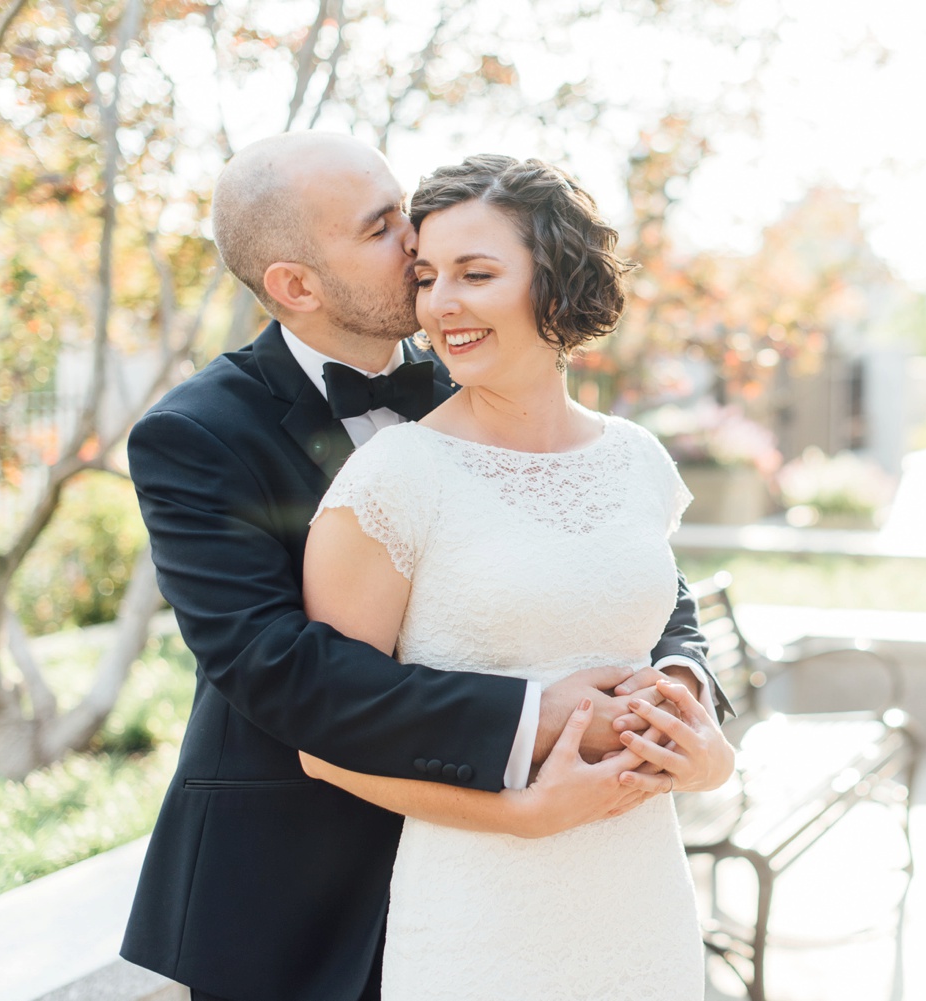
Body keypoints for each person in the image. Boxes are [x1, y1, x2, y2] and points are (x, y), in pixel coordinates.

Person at [119, 132, 731, 1001]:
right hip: (298, 887)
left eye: (407, 216)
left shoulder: (481, 371)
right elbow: (279, 669)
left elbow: (629, 580)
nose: (417, 247)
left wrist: (680, 691)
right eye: (381, 230)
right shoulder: (197, 434)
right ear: (295, 284)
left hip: (573, 868)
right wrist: (539, 716)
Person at [296, 152, 736, 1000]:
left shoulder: (637, 459)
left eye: (477, 273)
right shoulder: (397, 475)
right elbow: (326, 744)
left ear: (556, 285)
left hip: (643, 902)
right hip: (481, 914)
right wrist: (520, 815)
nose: (440, 304)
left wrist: (710, 758)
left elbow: (665, 630)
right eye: (427, 277)